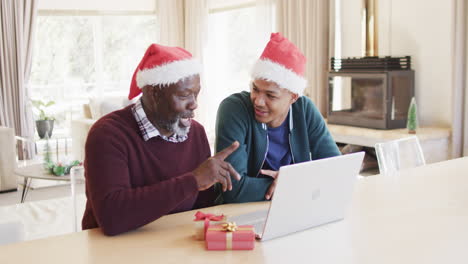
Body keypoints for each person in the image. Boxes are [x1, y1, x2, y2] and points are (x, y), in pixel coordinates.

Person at [82, 43, 240, 236]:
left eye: (196, 94)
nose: (194, 104)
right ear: (154, 94)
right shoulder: (108, 134)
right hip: (113, 248)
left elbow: (201, 208)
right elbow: (112, 217)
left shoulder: (195, 133)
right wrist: (193, 181)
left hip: (174, 242)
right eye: (184, 95)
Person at [215, 33, 341, 203]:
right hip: (240, 214)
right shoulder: (234, 109)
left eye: (270, 95)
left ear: (293, 97)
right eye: (255, 89)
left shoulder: (304, 110)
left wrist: (292, 182)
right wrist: (293, 185)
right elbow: (233, 189)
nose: (258, 101)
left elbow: (336, 170)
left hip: (293, 207)